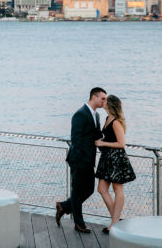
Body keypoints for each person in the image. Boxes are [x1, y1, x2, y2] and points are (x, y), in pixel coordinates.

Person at [56, 87, 106, 233]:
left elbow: (96, 136)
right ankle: (79, 224)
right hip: (78, 160)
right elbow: (76, 140)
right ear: (94, 97)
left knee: (89, 189)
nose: (104, 101)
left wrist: (108, 149)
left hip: (89, 160)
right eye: (102, 98)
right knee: (77, 191)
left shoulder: (95, 116)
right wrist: (79, 162)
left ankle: (64, 206)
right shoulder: (80, 114)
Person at [95, 94, 136, 234]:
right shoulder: (107, 118)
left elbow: (121, 143)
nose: (103, 101)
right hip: (107, 157)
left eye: (105, 100)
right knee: (101, 189)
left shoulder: (116, 122)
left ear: (110, 105)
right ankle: (116, 219)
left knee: (117, 188)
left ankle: (114, 221)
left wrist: (103, 143)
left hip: (116, 158)